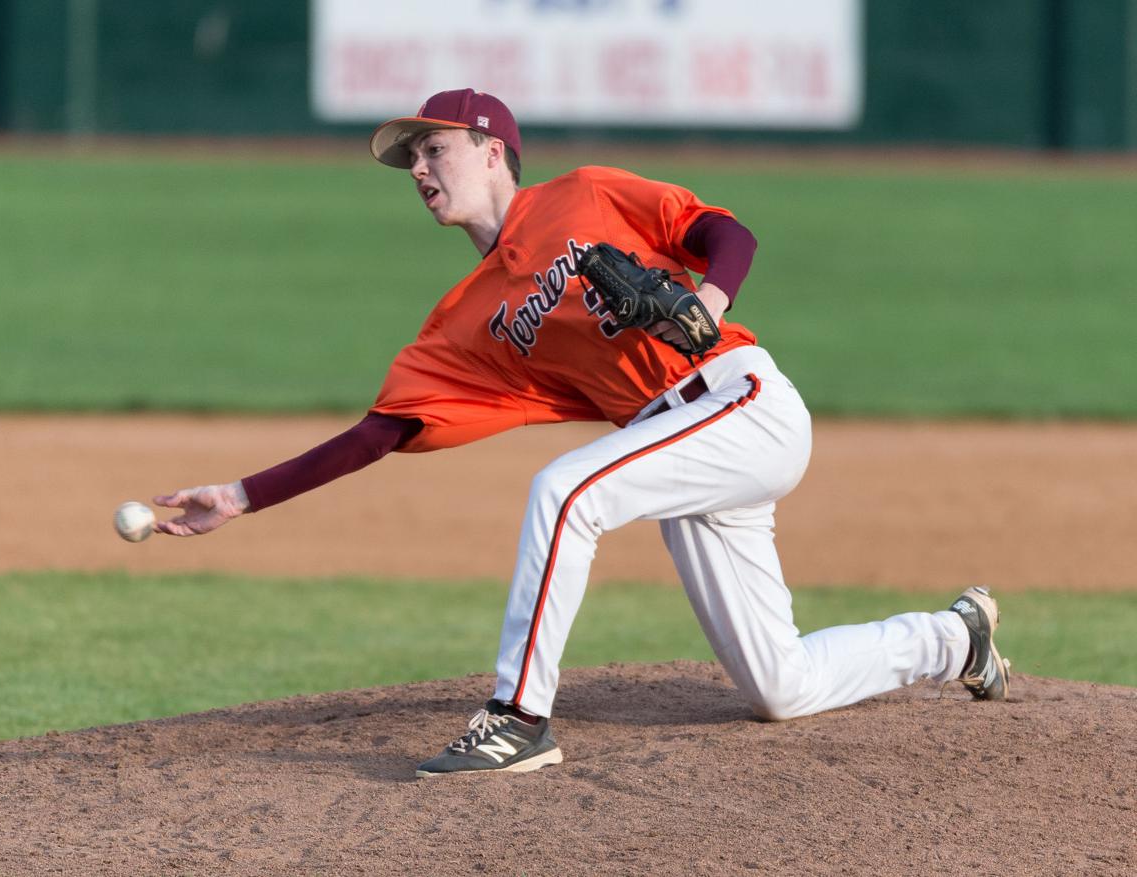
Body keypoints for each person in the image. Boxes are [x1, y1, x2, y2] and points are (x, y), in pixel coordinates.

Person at [153, 89, 1010, 778]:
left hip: (740, 400)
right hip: (680, 457)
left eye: (433, 148)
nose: (417, 168)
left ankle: (518, 716)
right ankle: (955, 638)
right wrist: (240, 496)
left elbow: (725, 232)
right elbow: (377, 434)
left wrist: (705, 303)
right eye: (409, 159)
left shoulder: (585, 193)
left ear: (493, 151)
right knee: (780, 686)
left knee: (566, 489)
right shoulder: (463, 322)